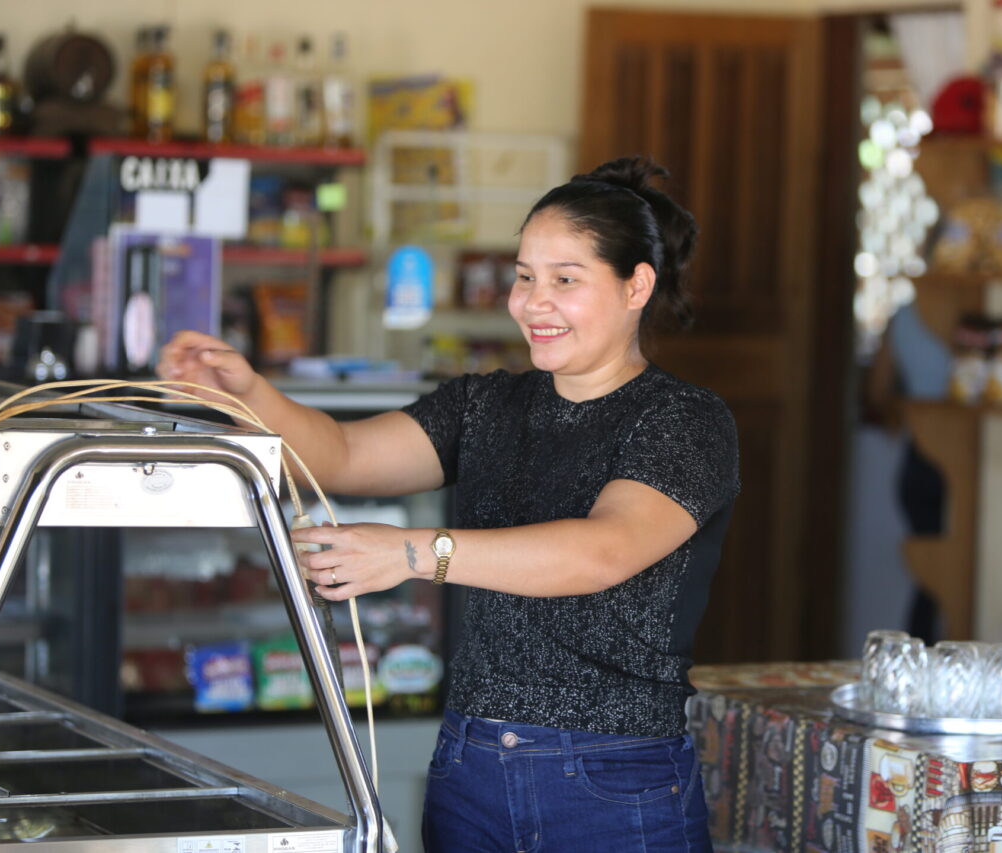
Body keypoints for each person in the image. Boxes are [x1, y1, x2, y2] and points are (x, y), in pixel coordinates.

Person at [157, 156, 741, 852]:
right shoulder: (485, 404)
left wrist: (410, 552)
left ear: (636, 285)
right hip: (471, 768)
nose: (533, 301)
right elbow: (341, 454)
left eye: (565, 280)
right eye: (524, 276)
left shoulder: (684, 420)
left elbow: (603, 549)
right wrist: (247, 392)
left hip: (614, 780)